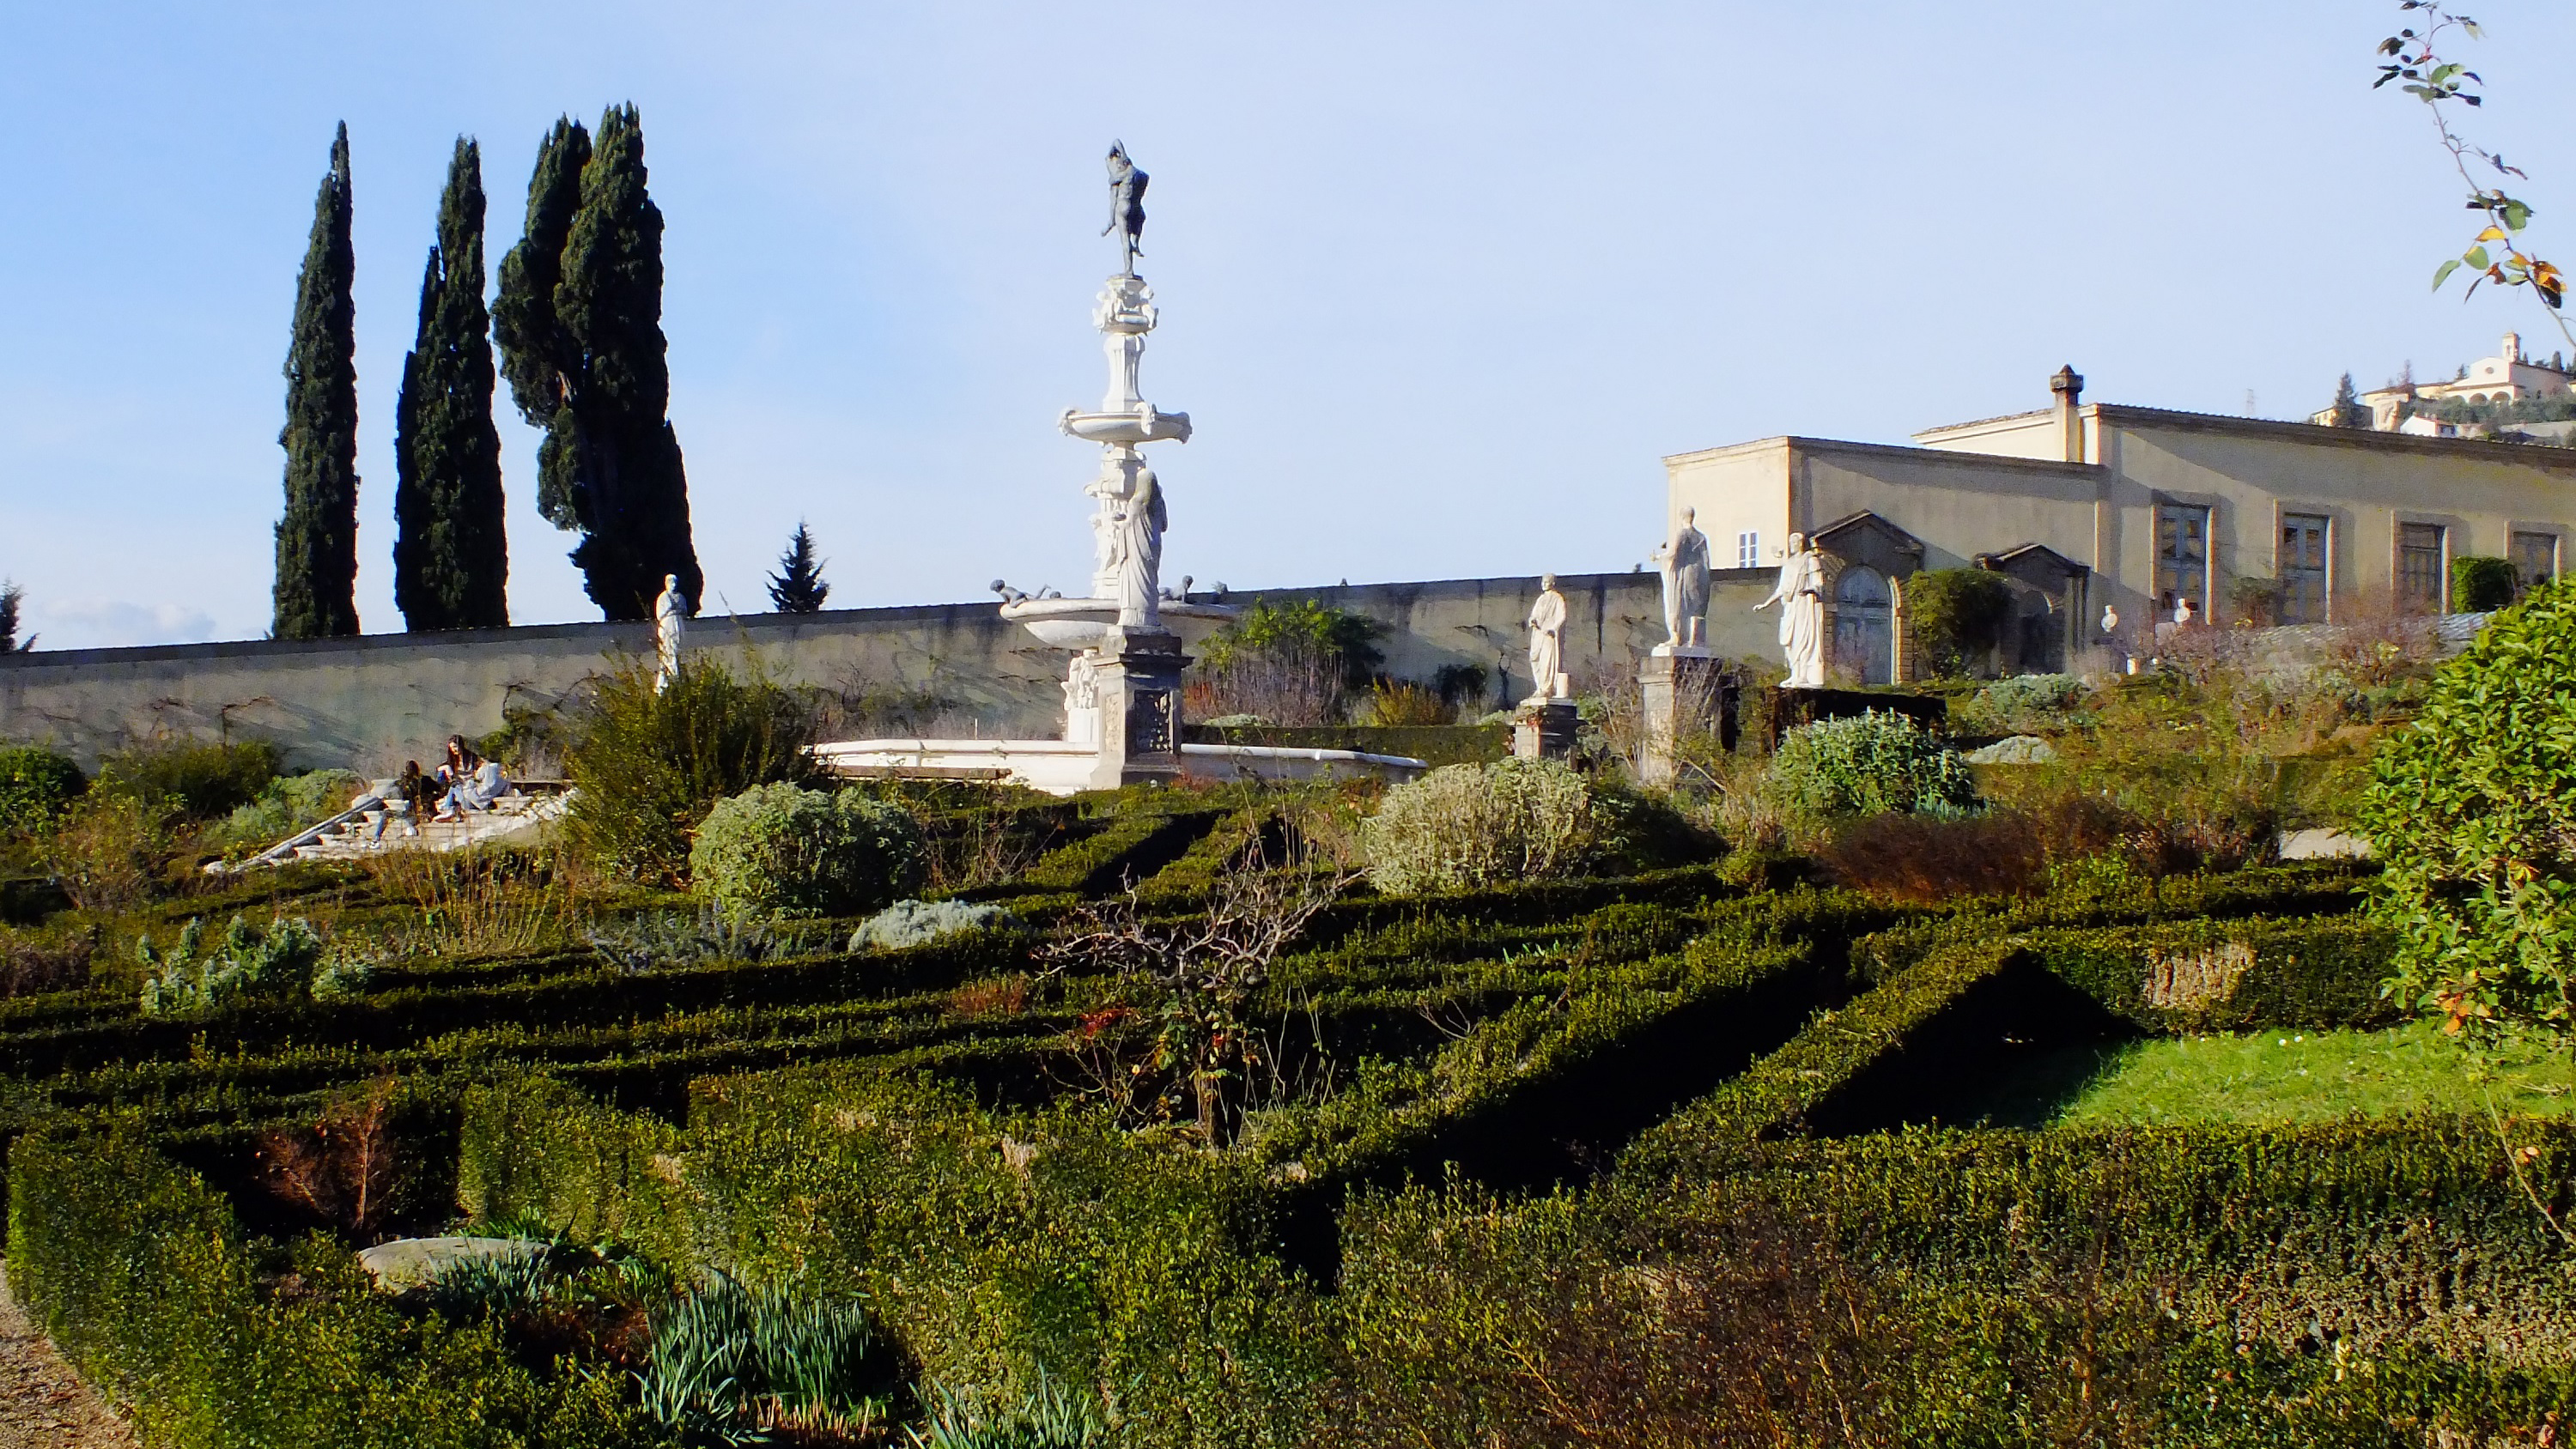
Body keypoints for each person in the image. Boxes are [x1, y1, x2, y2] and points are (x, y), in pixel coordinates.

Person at [1753, 533, 1826, 688]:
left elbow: (1818, 583)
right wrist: (1765, 604)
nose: (1792, 544)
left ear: (1801, 543)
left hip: (1804, 605)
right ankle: (1795, 674)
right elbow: (1781, 588)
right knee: (1788, 640)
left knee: (1802, 639)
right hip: (1790, 605)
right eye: (1790, 541)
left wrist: (1808, 590)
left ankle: (1802, 676)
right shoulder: (1788, 564)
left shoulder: (1810, 560)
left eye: (1795, 541)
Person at [432, 735, 510, 822]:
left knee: (455, 787)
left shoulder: (471, 757)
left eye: (455, 746)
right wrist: (447, 768)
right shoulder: (453, 761)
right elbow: (441, 770)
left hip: (470, 786)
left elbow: (484, 766)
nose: (454, 750)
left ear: (460, 746)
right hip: (461, 787)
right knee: (454, 786)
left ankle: (448, 808)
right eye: (451, 748)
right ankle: (448, 807)